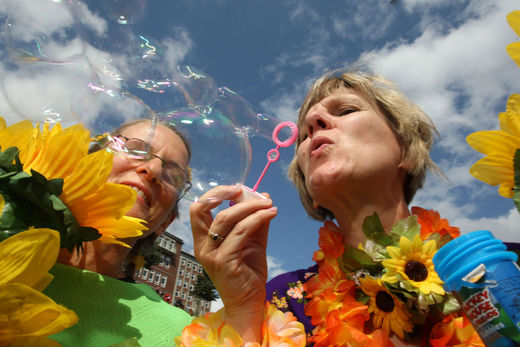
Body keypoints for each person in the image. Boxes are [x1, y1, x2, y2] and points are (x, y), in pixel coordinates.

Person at [182, 70, 505, 346]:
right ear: (311, 192)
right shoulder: (283, 303)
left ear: (406, 150)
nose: (313, 121)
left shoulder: (502, 269)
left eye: (347, 110)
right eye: (306, 134)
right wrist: (242, 309)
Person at [43, 119, 194, 346]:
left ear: (165, 222)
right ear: (84, 161)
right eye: (135, 149)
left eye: (172, 176)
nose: (152, 169)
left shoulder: (181, 333)